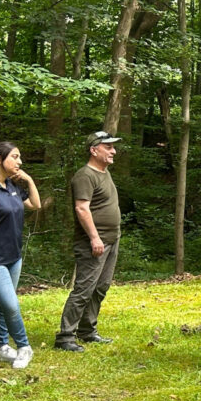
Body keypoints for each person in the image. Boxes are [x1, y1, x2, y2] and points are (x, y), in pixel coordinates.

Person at [55, 131, 123, 353]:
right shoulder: (85, 175)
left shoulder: (104, 172)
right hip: (94, 243)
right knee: (84, 289)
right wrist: (95, 238)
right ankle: (65, 336)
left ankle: (87, 331)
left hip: (112, 240)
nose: (113, 151)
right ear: (94, 150)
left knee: (101, 287)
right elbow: (81, 208)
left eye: (113, 147)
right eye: (108, 147)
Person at [0, 142, 41, 369]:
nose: (20, 161)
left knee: (3, 304)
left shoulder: (13, 187)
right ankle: (24, 347)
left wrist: (29, 180)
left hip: (14, 256)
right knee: (11, 305)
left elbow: (35, 205)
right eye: (15, 157)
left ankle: (2, 347)